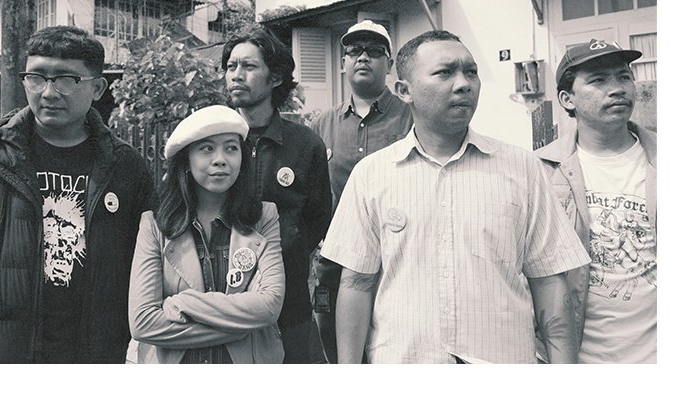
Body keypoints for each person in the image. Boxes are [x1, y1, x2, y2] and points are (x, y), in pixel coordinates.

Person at [319, 30, 592, 364]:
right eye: (445, 72)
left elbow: (549, 282)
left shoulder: (522, 169)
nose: (464, 84)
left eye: (471, 72)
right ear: (405, 91)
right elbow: (357, 284)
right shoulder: (371, 174)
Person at [0, 25, 156, 363]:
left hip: (94, 352)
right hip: (4, 352)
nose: (48, 92)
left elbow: (147, 263)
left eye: (66, 80)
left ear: (98, 88)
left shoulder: (125, 167)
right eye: (36, 77)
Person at [128, 105, 285, 364]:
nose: (220, 159)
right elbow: (143, 323)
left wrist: (183, 303)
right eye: (207, 149)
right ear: (186, 160)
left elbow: (269, 305)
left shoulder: (263, 218)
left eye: (231, 148)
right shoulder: (154, 225)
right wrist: (240, 327)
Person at [535, 39, 657, 364]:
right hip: (579, 359)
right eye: (599, 80)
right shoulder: (542, 171)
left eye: (624, 76)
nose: (617, 89)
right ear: (567, 99)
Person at [223, 27, 332, 363]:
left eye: (248, 66)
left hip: (290, 302)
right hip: (223, 298)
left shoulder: (305, 144)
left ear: (275, 78)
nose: (236, 75)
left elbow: (318, 216)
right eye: (231, 66)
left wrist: (289, 247)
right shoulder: (213, 139)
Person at [309, 20, 412, 363]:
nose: (363, 57)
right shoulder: (323, 123)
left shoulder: (411, 117)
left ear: (389, 63)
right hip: (335, 260)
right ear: (343, 63)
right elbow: (313, 193)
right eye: (354, 51)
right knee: (338, 349)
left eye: (374, 51)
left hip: (396, 257)